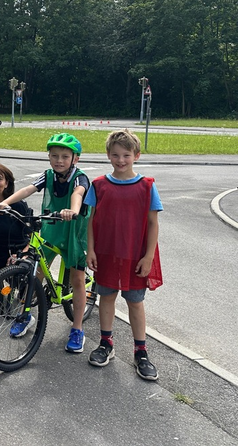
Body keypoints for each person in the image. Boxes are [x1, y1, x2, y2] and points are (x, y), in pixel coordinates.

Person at [0, 133, 90, 353]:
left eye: (65, 156)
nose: (59, 160)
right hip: (52, 229)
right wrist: (6, 202)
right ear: (49, 157)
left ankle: (77, 328)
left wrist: (73, 210)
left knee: (77, 280)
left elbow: (79, 192)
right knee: (33, 272)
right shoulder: (48, 175)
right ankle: (25, 314)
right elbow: (29, 188)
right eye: (54, 156)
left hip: (74, 231)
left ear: (75, 159)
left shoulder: (79, 177)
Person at [84, 129, 163, 381]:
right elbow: (91, 221)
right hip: (106, 254)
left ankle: (141, 351)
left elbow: (153, 223)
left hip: (134, 255)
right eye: (115, 155)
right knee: (106, 298)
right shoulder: (98, 185)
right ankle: (106, 343)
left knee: (135, 302)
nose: (120, 160)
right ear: (108, 155)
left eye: (126, 155)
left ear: (136, 156)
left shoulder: (147, 186)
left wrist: (148, 256)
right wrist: (91, 250)